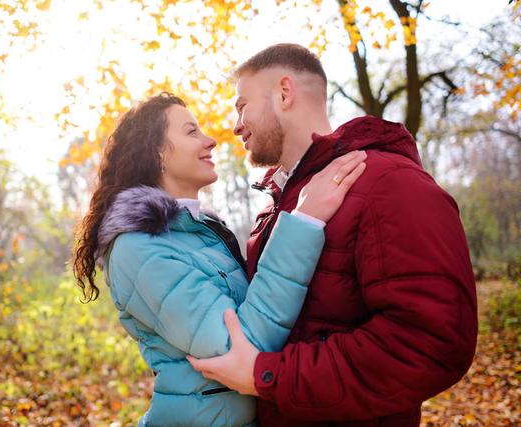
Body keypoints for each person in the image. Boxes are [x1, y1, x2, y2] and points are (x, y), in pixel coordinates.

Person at [188, 43, 478, 427]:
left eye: (242, 106)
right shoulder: (276, 208)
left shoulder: (389, 183)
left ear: (284, 92)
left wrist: (268, 374)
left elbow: (430, 342)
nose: (235, 124)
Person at [71, 92, 366, 426]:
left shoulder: (199, 233)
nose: (210, 140)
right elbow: (240, 348)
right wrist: (303, 221)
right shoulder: (137, 248)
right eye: (191, 132)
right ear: (157, 155)